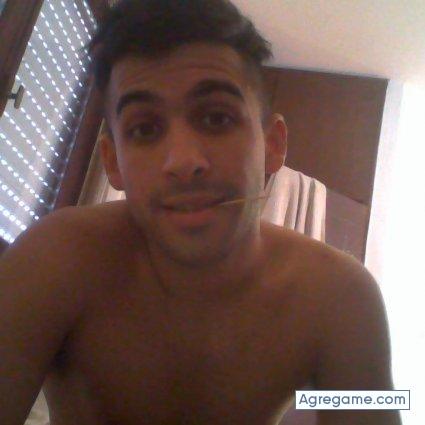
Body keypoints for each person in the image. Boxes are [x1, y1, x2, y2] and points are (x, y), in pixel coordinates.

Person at [0, 1, 402, 424]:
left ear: (273, 145)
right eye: (144, 129)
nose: (183, 161)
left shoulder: (343, 296)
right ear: (113, 162)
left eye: (216, 118)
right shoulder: (57, 257)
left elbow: (370, 407)